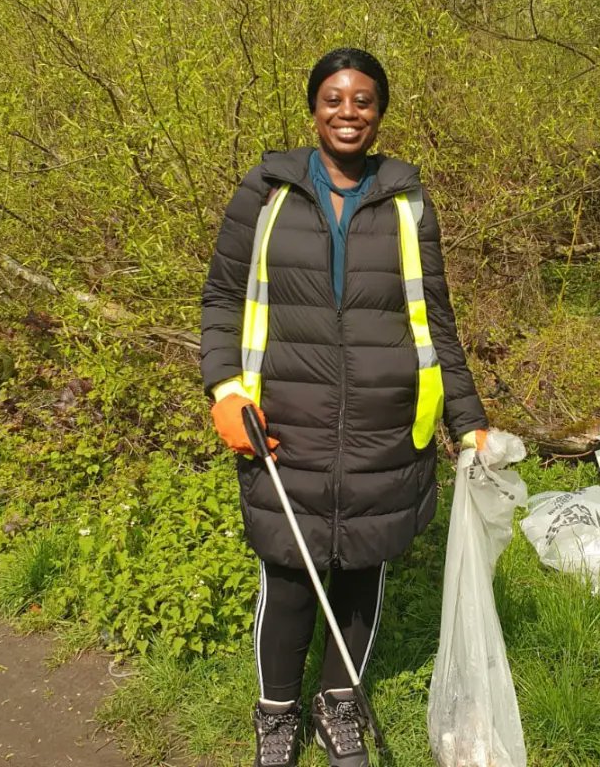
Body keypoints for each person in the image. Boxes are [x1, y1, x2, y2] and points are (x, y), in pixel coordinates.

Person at [200, 47, 489, 767]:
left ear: (379, 112)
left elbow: (435, 320)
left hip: (385, 426)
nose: (348, 113)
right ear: (314, 108)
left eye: (362, 101)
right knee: (290, 574)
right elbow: (222, 300)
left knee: (362, 574)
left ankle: (339, 707)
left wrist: (469, 419)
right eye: (334, 99)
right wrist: (224, 389)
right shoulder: (264, 193)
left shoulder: (407, 201)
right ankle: (275, 715)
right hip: (284, 425)